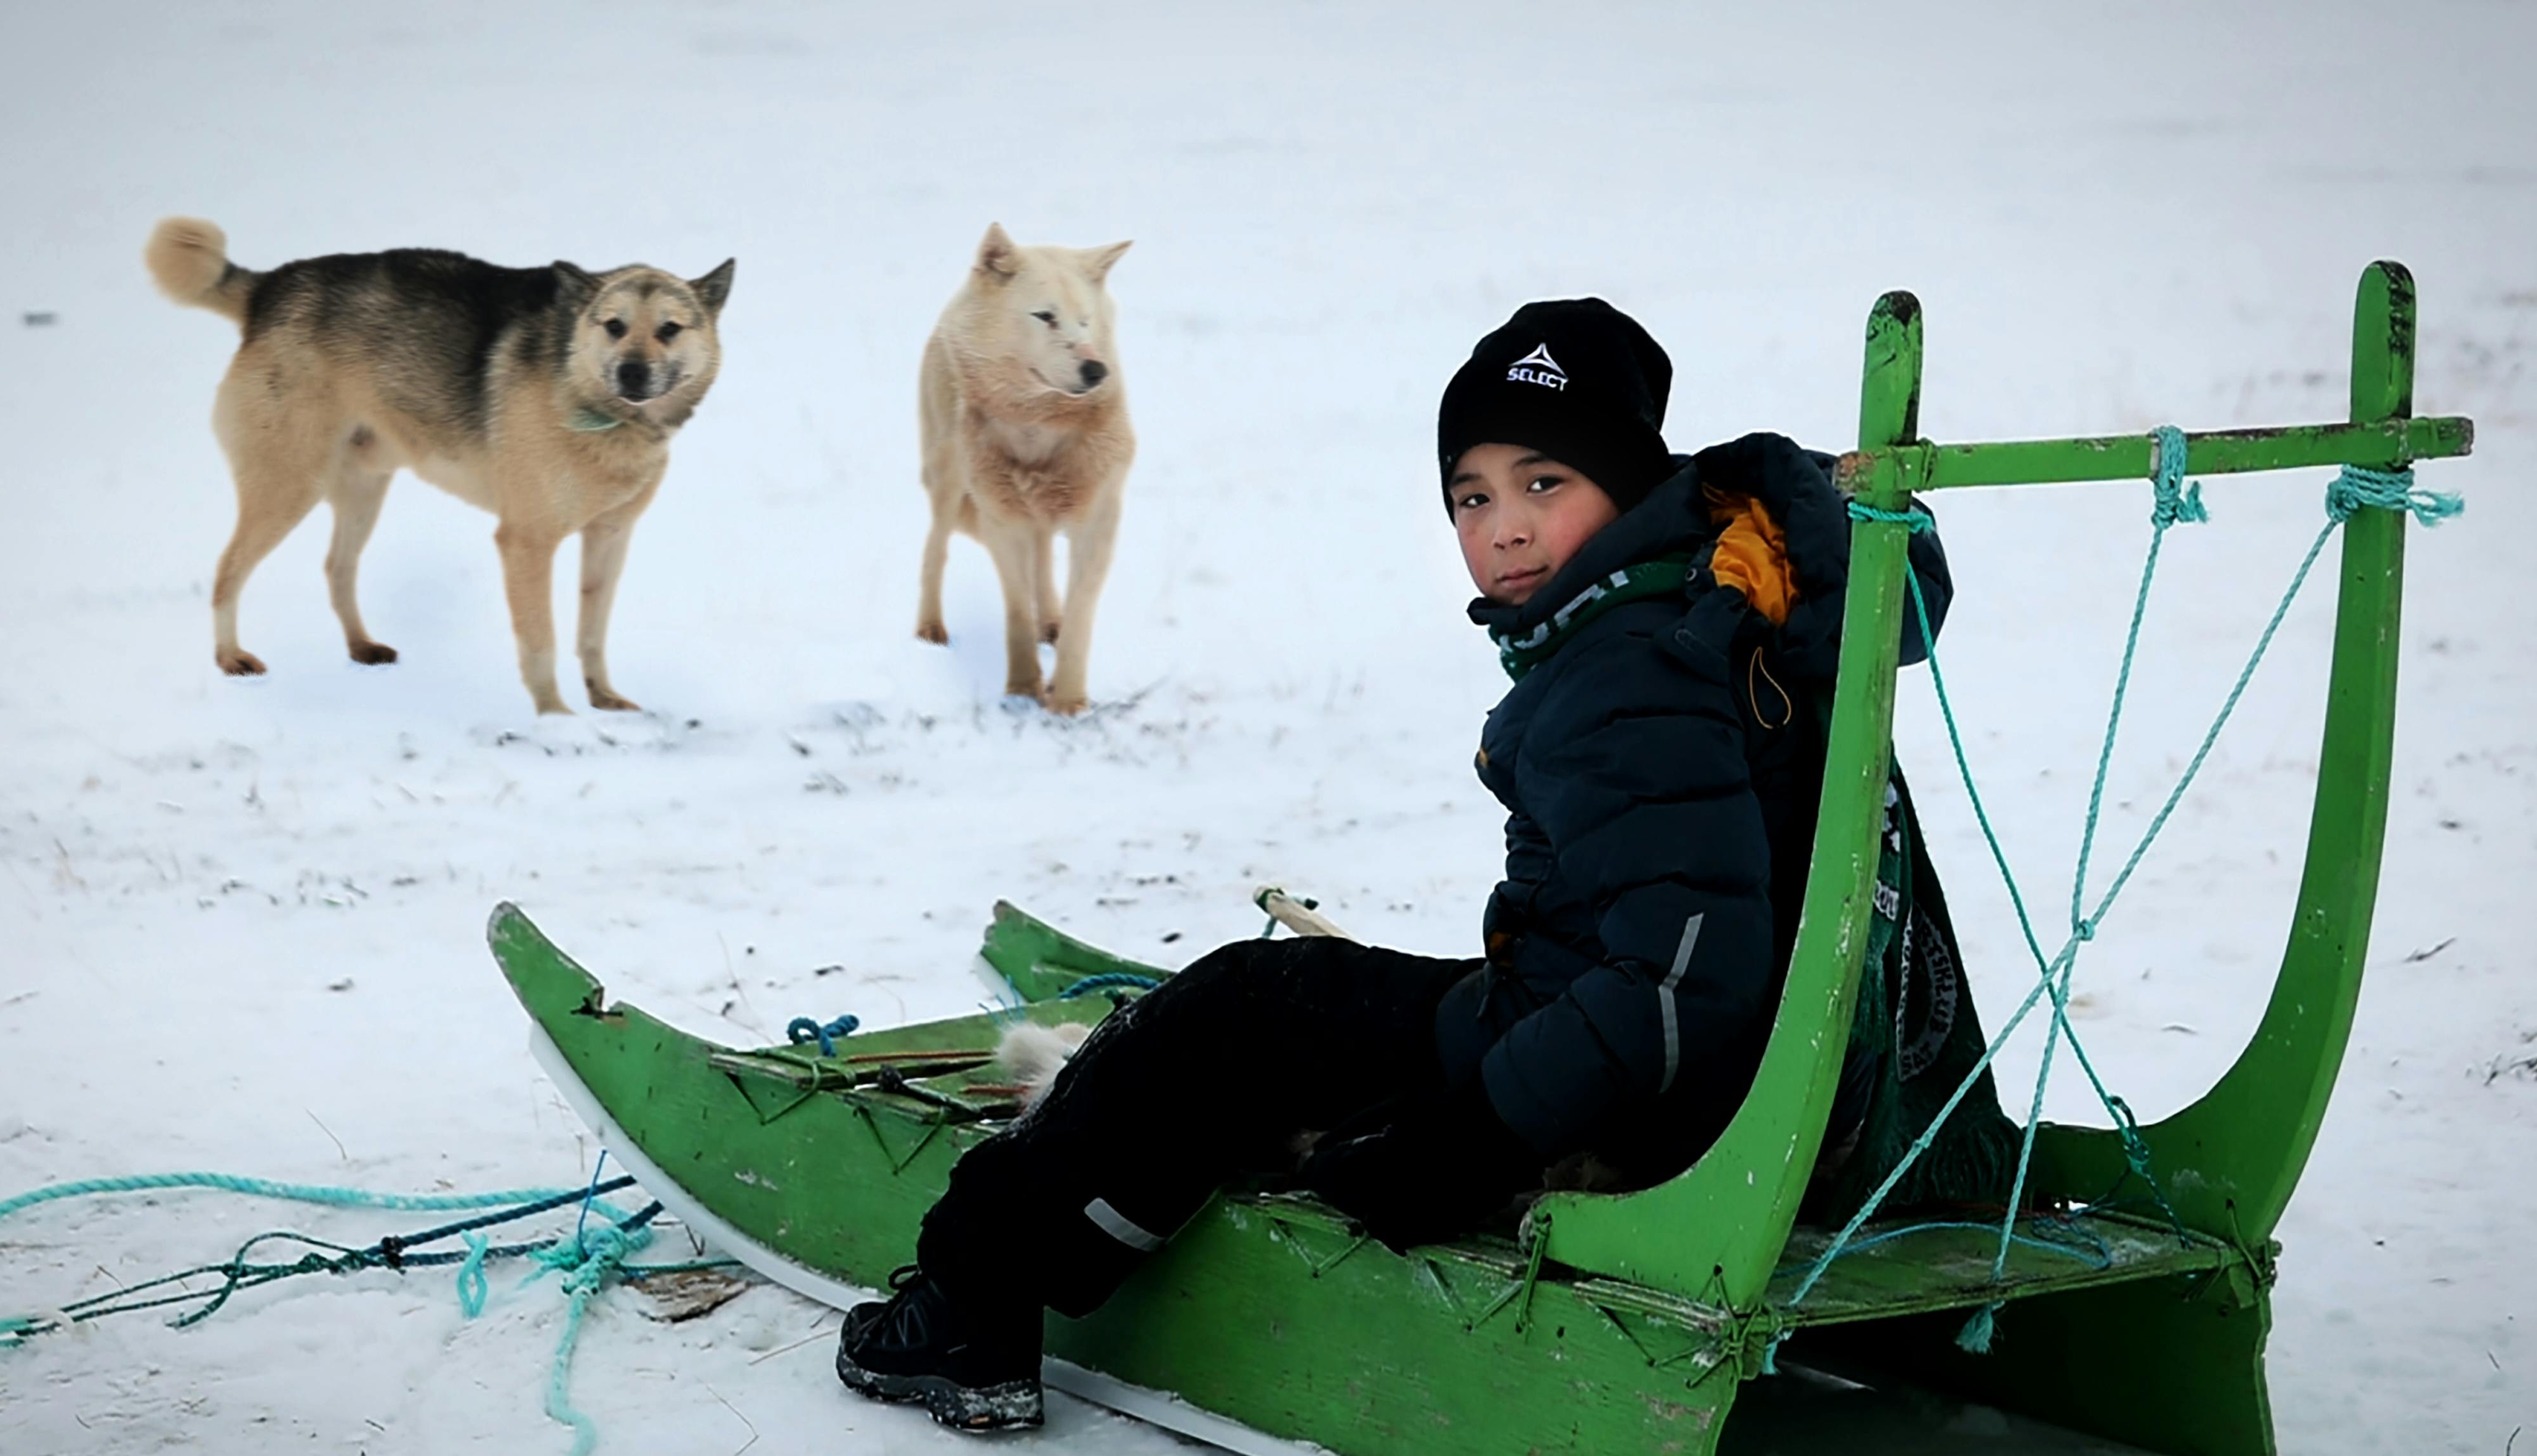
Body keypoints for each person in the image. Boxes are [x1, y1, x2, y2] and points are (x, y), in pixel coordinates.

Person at [834, 299, 2016, 1432]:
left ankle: (971, 1300)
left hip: (1644, 1099)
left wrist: (1474, 1141)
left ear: (1629, 486)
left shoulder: (1635, 669)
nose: (1502, 525)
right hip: (1725, 1071)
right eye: (1472, 493)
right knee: (1304, 1013)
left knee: (1235, 1012)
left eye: (1544, 483)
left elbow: (1674, 979)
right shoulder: (1731, 612)